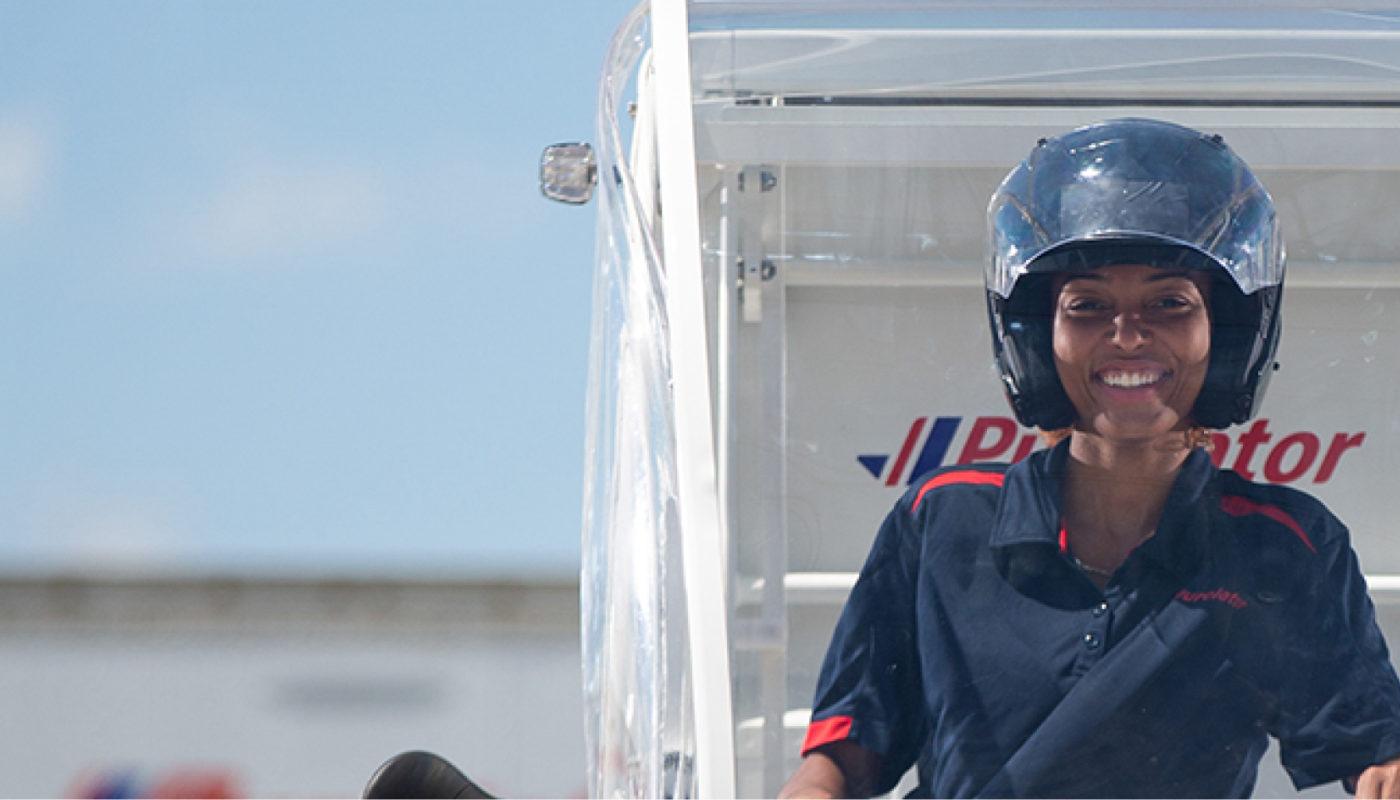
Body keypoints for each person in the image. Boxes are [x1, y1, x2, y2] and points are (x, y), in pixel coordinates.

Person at [779, 118, 1400, 799]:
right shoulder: (941, 517)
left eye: (1169, 302)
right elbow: (847, 751)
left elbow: (1370, 750)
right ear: (1036, 338)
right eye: (1088, 305)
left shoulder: (1285, 545)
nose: (1128, 335)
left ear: (1224, 336)